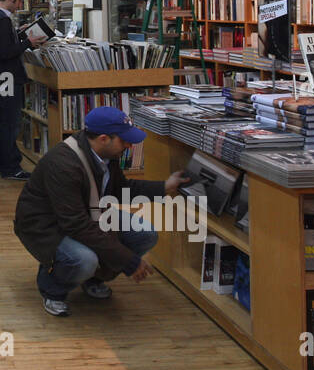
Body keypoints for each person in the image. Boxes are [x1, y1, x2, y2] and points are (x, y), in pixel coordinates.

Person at [13, 106, 188, 315]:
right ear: (104, 138)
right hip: (45, 226)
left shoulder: (105, 155)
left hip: (87, 214)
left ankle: (93, 278)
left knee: (144, 234)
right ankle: (52, 286)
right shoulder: (63, 164)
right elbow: (77, 225)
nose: (129, 145)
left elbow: (119, 189)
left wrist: (165, 187)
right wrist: (128, 261)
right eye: (124, 140)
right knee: (83, 259)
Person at [0, 0, 32, 181]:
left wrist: (18, 33)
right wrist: (28, 42)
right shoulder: (2, 21)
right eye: (20, 0)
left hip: (0, 76)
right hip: (8, 76)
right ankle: (11, 167)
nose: (20, 5)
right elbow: (5, 52)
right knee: (10, 123)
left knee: (0, 121)